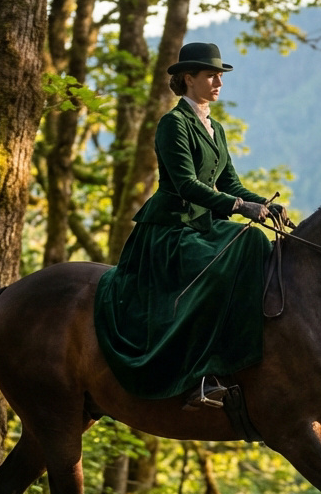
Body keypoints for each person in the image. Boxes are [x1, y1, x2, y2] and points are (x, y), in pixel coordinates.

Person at [94, 42, 277, 410]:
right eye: (211, 75)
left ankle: (240, 356)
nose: (219, 82)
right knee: (227, 261)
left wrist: (263, 204)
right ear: (188, 78)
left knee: (255, 242)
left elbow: (229, 183)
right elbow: (186, 184)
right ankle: (200, 375)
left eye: (220, 75)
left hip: (203, 226)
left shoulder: (216, 128)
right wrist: (240, 207)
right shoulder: (173, 124)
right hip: (170, 230)